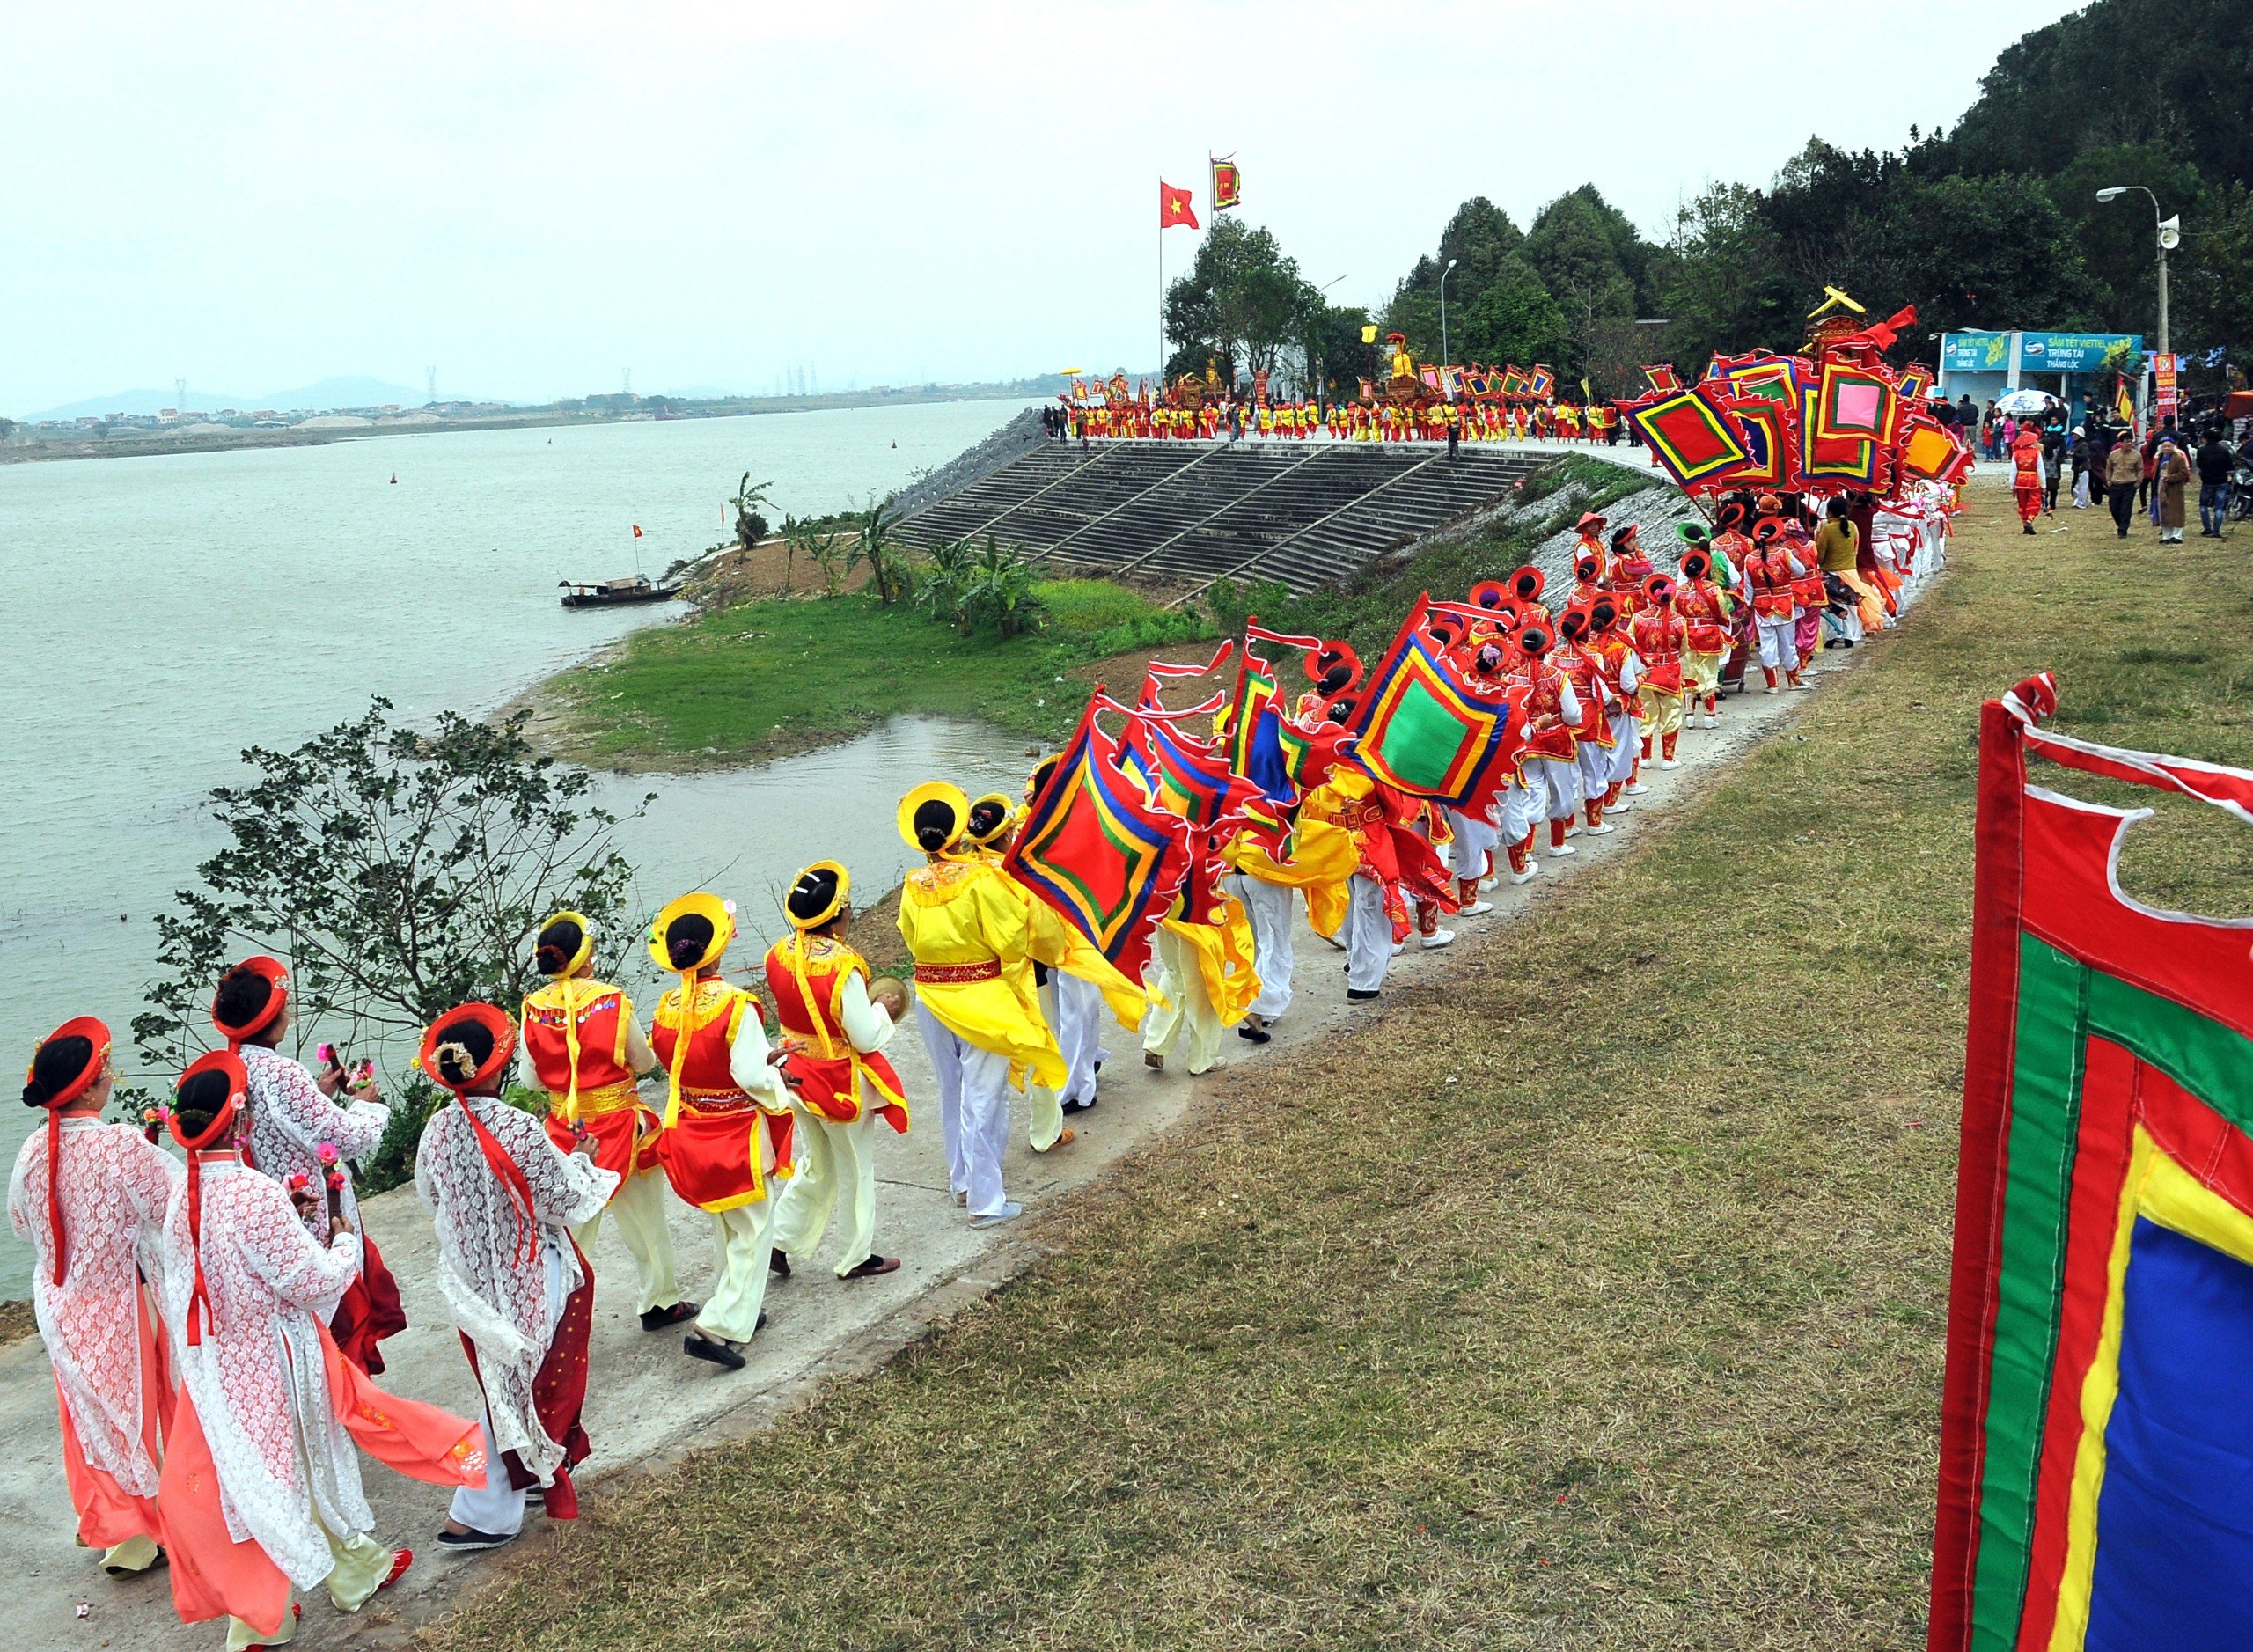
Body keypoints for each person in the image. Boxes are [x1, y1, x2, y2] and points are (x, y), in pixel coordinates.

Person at [157, 1051, 480, 1651]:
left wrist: (285, 1209)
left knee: (255, 1476)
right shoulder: (251, 1194)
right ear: (240, 1117)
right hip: (276, 1353)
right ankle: (288, 1603)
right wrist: (341, 1239)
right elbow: (315, 1282)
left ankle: (292, 1597)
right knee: (302, 1463)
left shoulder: (184, 1193)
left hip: (218, 1359)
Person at [415, 1002, 616, 1548]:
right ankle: (476, 1511)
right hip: (528, 1272)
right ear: (499, 1067)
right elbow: (563, 1201)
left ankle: (518, 1480)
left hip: (471, 1278)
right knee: (512, 1390)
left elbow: (430, 1198)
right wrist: (584, 1160)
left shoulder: (435, 1131)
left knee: (503, 1383)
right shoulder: (518, 1126)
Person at [10, 1017, 177, 1579]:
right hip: (118, 1304)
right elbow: (174, 1209)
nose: (110, 1076)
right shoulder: (121, 1144)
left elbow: (20, 1225)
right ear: (85, 1088)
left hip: (59, 1305)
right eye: (104, 1069)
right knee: (141, 1411)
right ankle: (154, 1526)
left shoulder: (33, 1149)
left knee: (88, 1420)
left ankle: (117, 1531)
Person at [210, 955, 405, 1377]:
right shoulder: (281, 1073)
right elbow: (343, 1140)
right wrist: (366, 1106)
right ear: (273, 1017)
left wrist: (318, 1094)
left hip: (269, 1209)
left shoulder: (233, 1067)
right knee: (336, 1326)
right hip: (313, 1214)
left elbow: (282, 1123)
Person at [894, 782, 1064, 1228]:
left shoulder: (913, 884)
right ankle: (986, 1201)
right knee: (984, 1095)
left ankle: (962, 1181)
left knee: (953, 1091)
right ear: (956, 834)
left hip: (931, 997)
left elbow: (910, 937)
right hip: (980, 996)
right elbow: (1009, 941)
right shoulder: (980, 878)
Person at [519, 913, 694, 1335]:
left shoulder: (533, 1007)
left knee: (571, 1224)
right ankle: (659, 1301)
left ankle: (552, 1310)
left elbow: (529, 1079)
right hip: (620, 1125)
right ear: (585, 957)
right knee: (645, 1217)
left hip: (565, 1128)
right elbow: (643, 1060)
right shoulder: (612, 1000)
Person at [646, 892, 795, 1370]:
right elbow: (751, 1075)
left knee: (726, 1226)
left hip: (693, 1126)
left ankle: (739, 1307)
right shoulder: (735, 1005)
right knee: (754, 1229)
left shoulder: (665, 1007)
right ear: (719, 950)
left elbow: (667, 1064)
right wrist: (779, 1082)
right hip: (735, 1131)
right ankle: (717, 1325)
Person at [766, 861, 911, 1281]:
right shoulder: (842, 965)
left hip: (796, 1072)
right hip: (836, 1079)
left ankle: (780, 1239)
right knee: (854, 1168)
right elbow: (864, 1038)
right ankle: (855, 1255)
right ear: (838, 916)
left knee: (817, 1163)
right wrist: (882, 1010)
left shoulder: (778, 953)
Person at [2196, 427, 2233, 537]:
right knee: (2219, 507)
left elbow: (2199, 464)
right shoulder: (2224, 450)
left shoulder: (2201, 451)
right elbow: (2229, 465)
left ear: (2206, 439)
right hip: (2221, 480)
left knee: (2203, 505)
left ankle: (2207, 527)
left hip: (2207, 480)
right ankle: (2216, 531)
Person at [2103, 433, 2142, 538]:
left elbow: (2140, 470)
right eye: (2127, 442)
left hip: (2129, 485)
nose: (2129, 444)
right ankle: (2120, 523)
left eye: (2131, 441)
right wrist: (2108, 480)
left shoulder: (2137, 455)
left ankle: (2123, 530)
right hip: (2115, 484)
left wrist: (2138, 483)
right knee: (2114, 507)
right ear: (2122, 443)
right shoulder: (2113, 454)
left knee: (2126, 508)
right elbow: (2108, 468)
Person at [2009, 422, 2044, 534]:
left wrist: (2012, 485)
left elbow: (2013, 470)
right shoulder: (2036, 453)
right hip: (2032, 480)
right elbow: (2040, 469)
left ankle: (2025, 524)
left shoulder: (2016, 453)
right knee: (2034, 501)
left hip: (2020, 480)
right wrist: (2043, 485)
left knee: (2022, 503)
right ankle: (2029, 521)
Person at [2155, 436, 2191, 543]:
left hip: (2175, 488)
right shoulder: (2159, 458)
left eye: (2169, 446)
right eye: (2164, 446)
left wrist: (2170, 478)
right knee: (2164, 511)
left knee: (2176, 511)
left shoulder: (2179, 458)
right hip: (2162, 487)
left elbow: (2183, 473)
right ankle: (2166, 535)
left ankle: (2177, 535)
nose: (2166, 448)